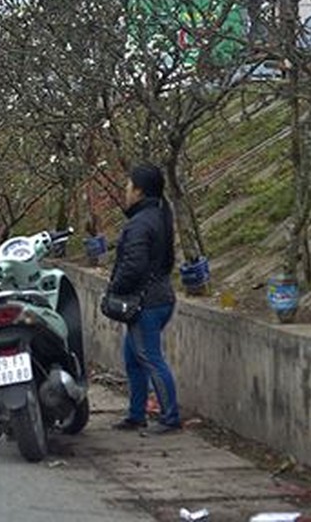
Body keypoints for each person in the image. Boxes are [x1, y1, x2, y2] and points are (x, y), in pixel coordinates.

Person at [108, 163, 181, 436]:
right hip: (160, 297)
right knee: (133, 357)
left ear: (138, 191)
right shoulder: (161, 215)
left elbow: (133, 265)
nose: (125, 191)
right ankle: (136, 414)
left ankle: (170, 417)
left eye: (128, 186)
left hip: (146, 303)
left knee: (150, 358)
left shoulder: (140, 223)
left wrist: (115, 288)